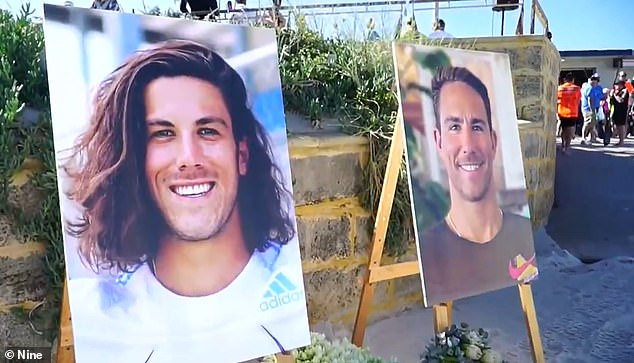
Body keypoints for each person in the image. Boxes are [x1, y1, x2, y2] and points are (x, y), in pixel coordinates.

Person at [61, 39, 309, 363]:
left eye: (207, 131)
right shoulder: (93, 321)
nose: (189, 158)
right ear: (136, 159)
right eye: (163, 134)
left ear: (242, 155)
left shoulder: (293, 294)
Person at [420, 66, 537, 306]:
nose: (467, 144)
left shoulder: (521, 235)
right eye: (454, 127)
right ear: (438, 142)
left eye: (476, 126)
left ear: (493, 141)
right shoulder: (430, 249)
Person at [557, 73, 581, 153]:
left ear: (565, 80)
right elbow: (578, 101)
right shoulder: (577, 89)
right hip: (572, 112)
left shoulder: (559, 88)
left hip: (562, 112)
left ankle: (563, 144)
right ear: (573, 80)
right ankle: (567, 146)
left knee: (563, 128)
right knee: (570, 130)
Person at [580, 73, 603, 145]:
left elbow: (600, 96)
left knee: (593, 123)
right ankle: (583, 138)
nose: (597, 81)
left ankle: (593, 138)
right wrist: (592, 109)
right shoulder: (589, 87)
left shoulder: (597, 87)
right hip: (588, 109)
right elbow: (590, 99)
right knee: (587, 123)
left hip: (595, 108)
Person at [609, 80, 629, 146]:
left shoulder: (625, 90)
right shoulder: (616, 91)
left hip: (622, 110)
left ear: (622, 85)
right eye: (616, 85)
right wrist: (610, 95)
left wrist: (614, 95)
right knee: (617, 125)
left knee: (621, 126)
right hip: (615, 110)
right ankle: (619, 139)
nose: (617, 86)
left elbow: (621, 100)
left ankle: (622, 141)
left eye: (618, 85)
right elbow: (611, 102)